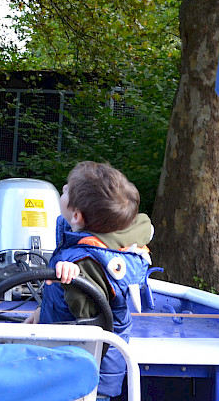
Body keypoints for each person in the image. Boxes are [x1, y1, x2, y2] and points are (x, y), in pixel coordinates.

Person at [28, 161, 153, 400]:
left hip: (85, 378)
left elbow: (85, 315)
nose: (63, 187)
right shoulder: (104, 241)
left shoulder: (84, 262)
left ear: (76, 215)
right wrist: (42, 312)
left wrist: (73, 277)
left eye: (66, 191)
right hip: (80, 369)